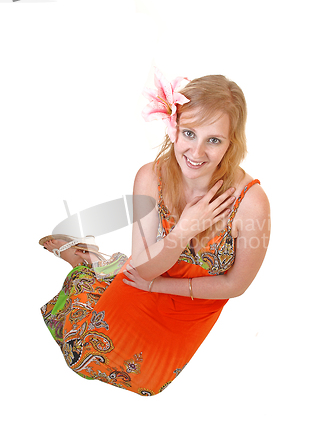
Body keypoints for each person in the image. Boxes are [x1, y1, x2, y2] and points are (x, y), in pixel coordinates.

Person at [40, 69, 270, 396]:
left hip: (190, 306)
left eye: (214, 140)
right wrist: (183, 231)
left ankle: (95, 263)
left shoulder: (251, 203)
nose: (197, 152)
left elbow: (236, 285)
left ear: (232, 143)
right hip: (142, 278)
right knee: (82, 355)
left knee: (147, 382)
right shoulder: (150, 177)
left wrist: (158, 284)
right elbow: (142, 268)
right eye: (189, 133)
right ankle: (84, 262)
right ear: (173, 128)